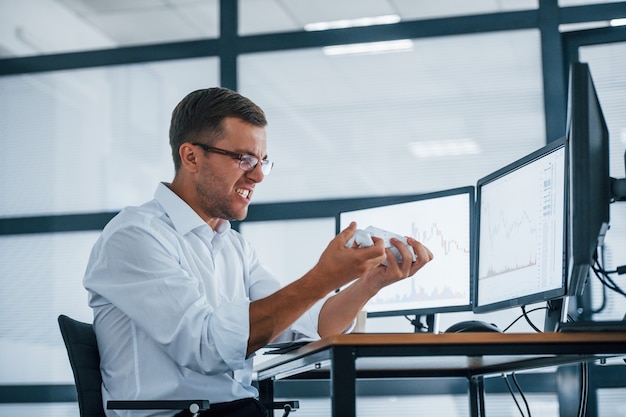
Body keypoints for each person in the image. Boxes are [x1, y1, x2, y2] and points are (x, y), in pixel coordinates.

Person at [83, 87, 434, 417]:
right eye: (244, 159)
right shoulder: (135, 237)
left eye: (263, 161)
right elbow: (206, 349)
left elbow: (316, 326)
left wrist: (369, 283)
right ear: (191, 156)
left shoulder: (233, 245)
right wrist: (323, 277)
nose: (258, 177)